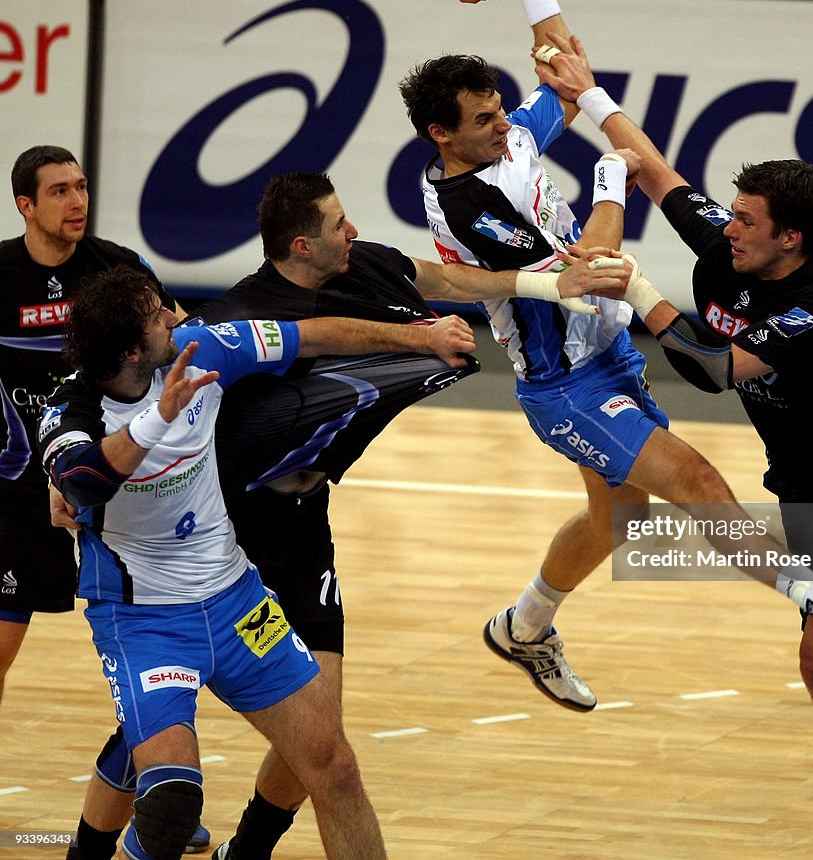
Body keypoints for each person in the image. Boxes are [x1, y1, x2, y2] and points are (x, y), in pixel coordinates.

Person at [529, 28, 813, 859]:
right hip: (806, 488)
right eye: (734, 215)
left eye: (747, 221)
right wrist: (592, 93)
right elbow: (652, 166)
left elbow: (718, 371)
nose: (729, 229)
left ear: (792, 238)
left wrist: (637, 286)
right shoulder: (729, 242)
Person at [398, 0, 813, 718]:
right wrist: (609, 184)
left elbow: (566, 70)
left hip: (607, 352)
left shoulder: (506, 144)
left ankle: (523, 625)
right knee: (697, 481)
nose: (507, 123)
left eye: (503, 108)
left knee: (619, 520)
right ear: (441, 135)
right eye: (484, 119)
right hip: (564, 386)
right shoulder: (467, 205)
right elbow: (594, 266)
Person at [181, 169, 631, 860]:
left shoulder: (365, 267)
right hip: (230, 532)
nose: (352, 231)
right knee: (171, 713)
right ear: (302, 246)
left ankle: (246, 848)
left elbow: (445, 280)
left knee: (321, 730)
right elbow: (283, 348)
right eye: (338, 224)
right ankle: (131, 786)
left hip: (303, 525)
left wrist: (547, 285)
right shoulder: (242, 315)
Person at [38, 265, 472, 859]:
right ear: (133, 351)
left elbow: (311, 335)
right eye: (157, 314)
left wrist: (419, 339)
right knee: (168, 809)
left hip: (239, 602)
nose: (175, 314)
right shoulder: (72, 407)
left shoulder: (203, 349)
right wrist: (159, 416)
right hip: (144, 623)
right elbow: (83, 481)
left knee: (334, 767)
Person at [0, 145, 213, 854]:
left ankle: (162, 794)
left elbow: (179, 335)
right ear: (25, 205)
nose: (76, 200)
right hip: (19, 496)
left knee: (155, 655)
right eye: (58, 190)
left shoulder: (116, 268)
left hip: (116, 493)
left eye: (82, 186)